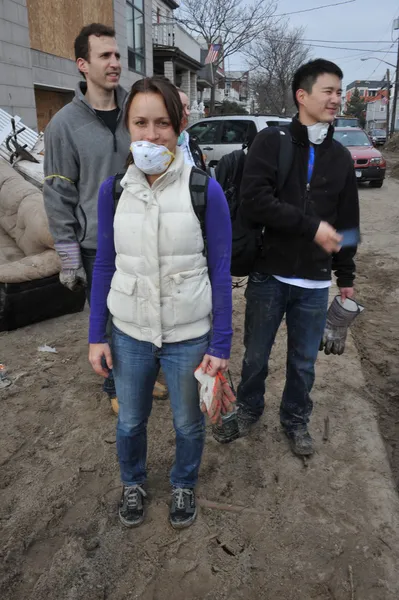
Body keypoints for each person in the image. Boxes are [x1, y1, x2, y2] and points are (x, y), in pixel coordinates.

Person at [88, 77, 233, 528]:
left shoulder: (203, 191)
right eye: (141, 123)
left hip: (189, 336)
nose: (151, 136)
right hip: (130, 333)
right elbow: (105, 266)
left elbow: (221, 273)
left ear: (180, 125)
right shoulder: (113, 192)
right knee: (130, 421)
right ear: (127, 127)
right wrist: (97, 336)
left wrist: (221, 345)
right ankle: (133, 482)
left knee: (188, 425)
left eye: (163, 124)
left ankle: (183, 484)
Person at [236, 59, 360, 456]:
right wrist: (311, 227)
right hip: (269, 274)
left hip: (314, 282)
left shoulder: (340, 157)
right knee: (255, 357)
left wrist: (346, 279)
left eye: (339, 92)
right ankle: (248, 408)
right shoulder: (271, 142)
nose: (336, 99)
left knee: (304, 364)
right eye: (329, 91)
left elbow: (347, 222)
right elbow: (254, 201)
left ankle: (295, 419)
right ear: (301, 95)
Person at [43, 23, 167, 411]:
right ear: (82, 64)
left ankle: (143, 380)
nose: (115, 63)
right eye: (105, 56)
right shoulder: (65, 124)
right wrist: (67, 253)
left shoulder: (137, 110)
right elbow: (58, 192)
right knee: (112, 323)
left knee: (148, 312)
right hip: (98, 245)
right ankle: (116, 388)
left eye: (117, 55)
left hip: (147, 234)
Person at [177, 89, 206, 170]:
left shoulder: (191, 143)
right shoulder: (158, 146)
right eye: (181, 107)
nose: (188, 112)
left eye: (188, 107)